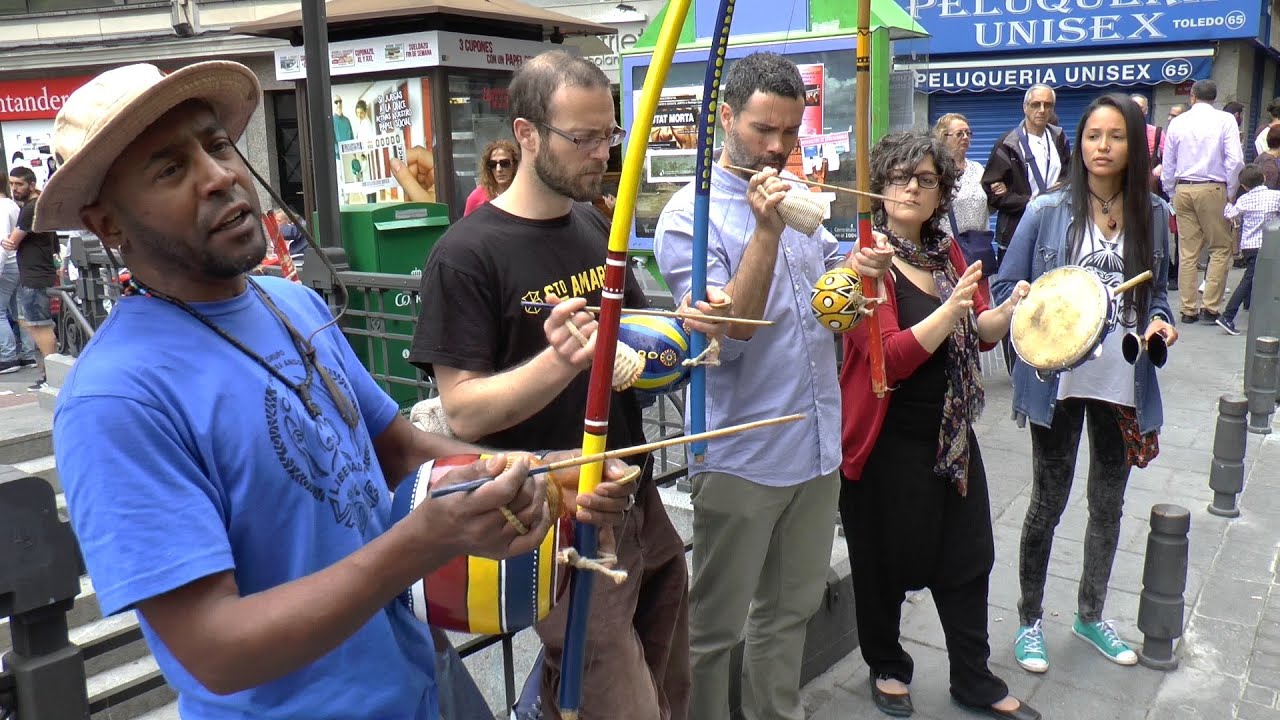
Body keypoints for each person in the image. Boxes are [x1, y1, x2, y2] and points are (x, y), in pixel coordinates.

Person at [42, 60, 638, 720]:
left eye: (215, 146)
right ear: (106, 225)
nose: (218, 176)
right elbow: (212, 650)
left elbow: (398, 447)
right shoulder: (116, 401)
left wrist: (546, 473)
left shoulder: (291, 303)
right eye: (169, 170)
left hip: (423, 681)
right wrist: (423, 539)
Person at [409, 50, 707, 720]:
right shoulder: (466, 254)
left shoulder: (594, 224)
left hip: (634, 495)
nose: (602, 154)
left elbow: (637, 342)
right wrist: (562, 361)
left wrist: (682, 335)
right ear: (526, 134)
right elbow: (463, 410)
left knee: (669, 681)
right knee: (609, 697)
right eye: (583, 138)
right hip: (557, 522)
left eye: (609, 134)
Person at [653, 51, 893, 720]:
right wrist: (764, 227)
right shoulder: (689, 215)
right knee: (716, 629)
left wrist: (857, 267)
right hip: (743, 454)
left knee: (791, 610)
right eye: (763, 129)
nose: (779, 147)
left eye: (790, 132)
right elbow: (732, 331)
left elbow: (825, 294)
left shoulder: (798, 197)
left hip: (816, 447)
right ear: (726, 117)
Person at [839, 130, 1038, 720]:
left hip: (951, 435)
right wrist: (950, 312)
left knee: (969, 554)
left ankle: (972, 678)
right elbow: (888, 359)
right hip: (886, 439)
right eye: (900, 176)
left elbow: (979, 336)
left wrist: (1005, 309)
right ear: (878, 186)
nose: (912, 188)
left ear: (941, 191)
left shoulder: (946, 252)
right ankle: (888, 664)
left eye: (926, 179)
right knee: (881, 563)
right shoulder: (861, 263)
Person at [993, 93, 1178, 675]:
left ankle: (1090, 614)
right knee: (1046, 504)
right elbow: (1004, 286)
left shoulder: (1152, 212)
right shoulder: (1047, 209)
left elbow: (1160, 296)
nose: (1102, 146)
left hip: (1122, 380)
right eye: (1093, 135)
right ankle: (1029, 621)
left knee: (1108, 505)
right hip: (1057, 381)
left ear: (1135, 143)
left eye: (1116, 136)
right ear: (1081, 142)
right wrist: (1022, 300)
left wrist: (1160, 323)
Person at [1160, 79, 1244, 324]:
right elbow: (1235, 159)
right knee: (1220, 248)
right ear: (1214, 98)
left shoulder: (1178, 122)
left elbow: (1169, 161)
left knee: (1188, 251)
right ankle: (1210, 306)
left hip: (1183, 188)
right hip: (1212, 187)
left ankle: (1188, 310)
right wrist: (1230, 191)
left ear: (1193, 96)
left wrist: (1170, 191)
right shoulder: (1225, 120)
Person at [982, 84, 1071, 265]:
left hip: (1054, 230)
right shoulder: (1008, 143)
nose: (1042, 110)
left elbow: (1070, 175)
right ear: (1025, 107)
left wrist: (1064, 184)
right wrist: (1030, 201)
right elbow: (992, 192)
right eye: (1035, 104)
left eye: (1047, 105)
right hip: (1016, 231)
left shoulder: (1059, 138)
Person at [2, 166, 59, 390]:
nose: (14, 188)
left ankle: (50, 376)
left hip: (34, 274)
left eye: (19, 184)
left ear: (31, 185)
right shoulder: (42, 205)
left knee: (40, 326)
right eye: (12, 184)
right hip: (40, 270)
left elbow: (12, 242)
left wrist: (6, 241)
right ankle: (49, 372)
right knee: (36, 324)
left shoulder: (29, 209)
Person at [1218, 164, 1280, 335]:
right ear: (1264, 178)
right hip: (1268, 244)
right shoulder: (1275, 196)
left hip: (1249, 245)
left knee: (1252, 276)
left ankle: (1248, 303)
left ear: (1244, 186)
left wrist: (1228, 204)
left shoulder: (1244, 199)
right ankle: (1228, 315)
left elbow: (1230, 214)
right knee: (1250, 279)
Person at [935, 113, 996, 273]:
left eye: (968, 133)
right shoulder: (936, 170)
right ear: (943, 137)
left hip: (978, 249)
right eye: (959, 134)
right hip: (947, 251)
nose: (965, 137)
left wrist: (998, 191)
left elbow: (988, 206)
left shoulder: (977, 169)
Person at [0, 176, 34, 374]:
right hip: (17, 262)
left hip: (7, 264)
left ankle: (7, 357)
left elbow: (4, 241)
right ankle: (28, 354)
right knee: (19, 311)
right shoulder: (12, 205)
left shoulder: (2, 207)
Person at [464, 139, 519, 216]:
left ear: (515, 164)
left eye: (505, 163)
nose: (499, 169)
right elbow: (466, 226)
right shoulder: (476, 197)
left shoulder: (524, 194)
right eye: (493, 164)